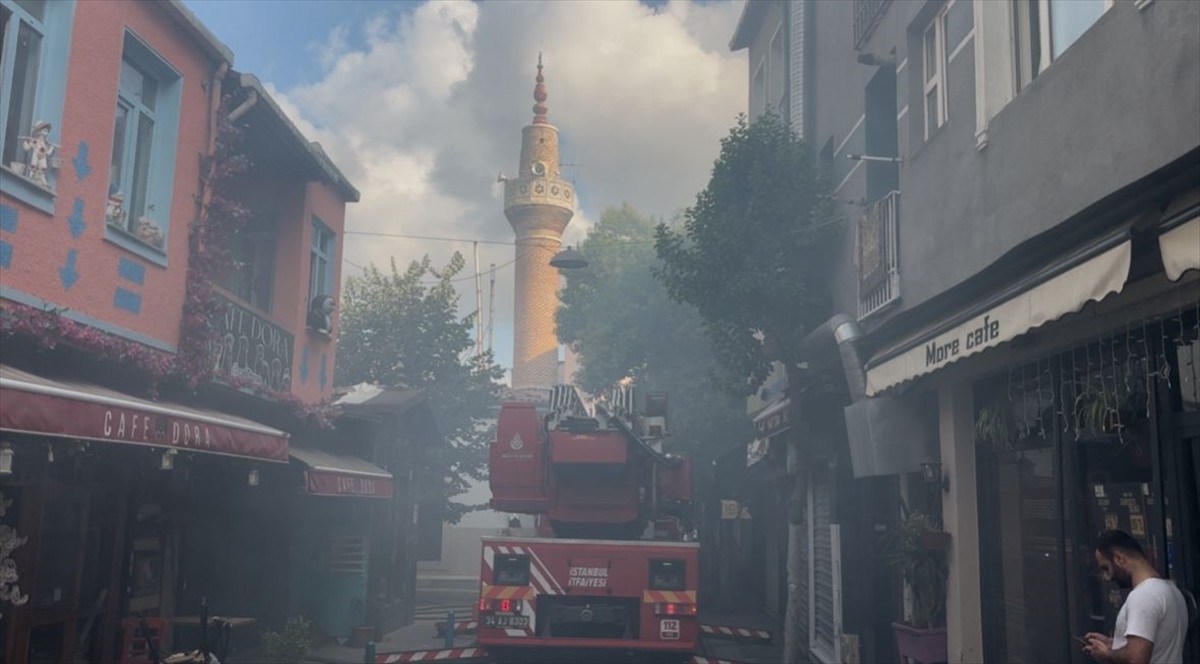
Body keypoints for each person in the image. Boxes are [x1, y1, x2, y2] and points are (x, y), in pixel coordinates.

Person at [1083, 529, 1187, 664]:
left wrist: (1107, 654)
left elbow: (1136, 658)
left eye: (1106, 568)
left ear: (1118, 558)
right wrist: (1112, 644)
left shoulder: (1143, 596)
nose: (1107, 577)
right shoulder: (1171, 590)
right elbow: (1155, 647)